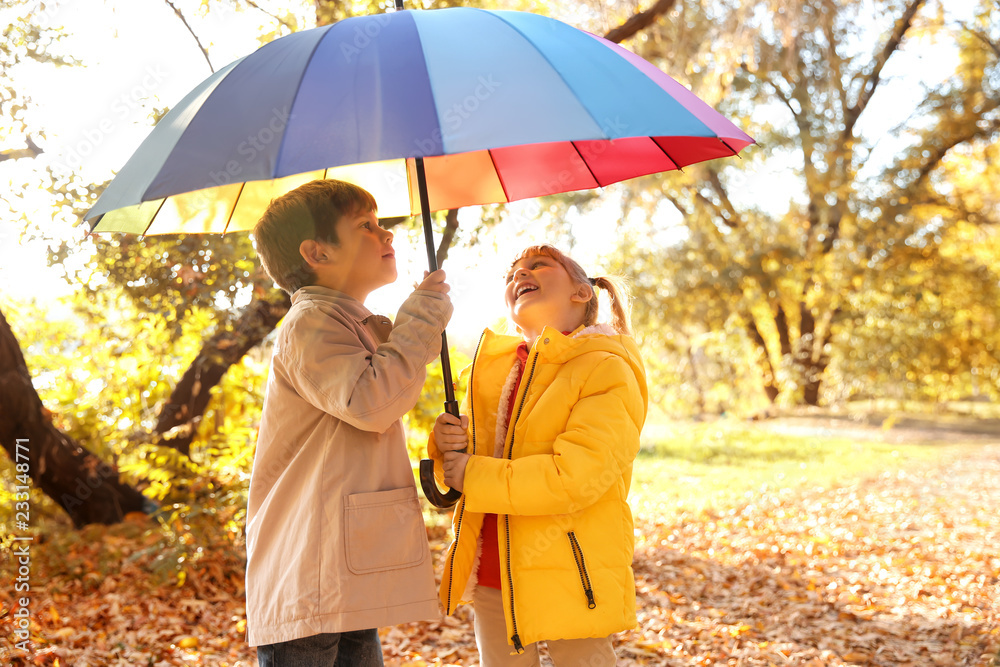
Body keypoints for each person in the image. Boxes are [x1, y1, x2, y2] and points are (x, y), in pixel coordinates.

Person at [245, 179, 453, 666]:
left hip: (341, 570)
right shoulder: (310, 323)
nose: (387, 235)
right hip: (309, 572)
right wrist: (419, 320)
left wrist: (411, 326)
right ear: (317, 252)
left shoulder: (351, 323)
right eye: (367, 225)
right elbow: (371, 402)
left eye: (381, 223)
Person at [429, 244, 648, 666]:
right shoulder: (489, 372)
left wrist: (472, 473)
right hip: (494, 568)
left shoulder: (605, 367)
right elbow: (475, 459)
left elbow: (574, 477)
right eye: (513, 273)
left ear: (581, 293)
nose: (520, 274)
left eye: (539, 265)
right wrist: (448, 444)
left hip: (572, 566)